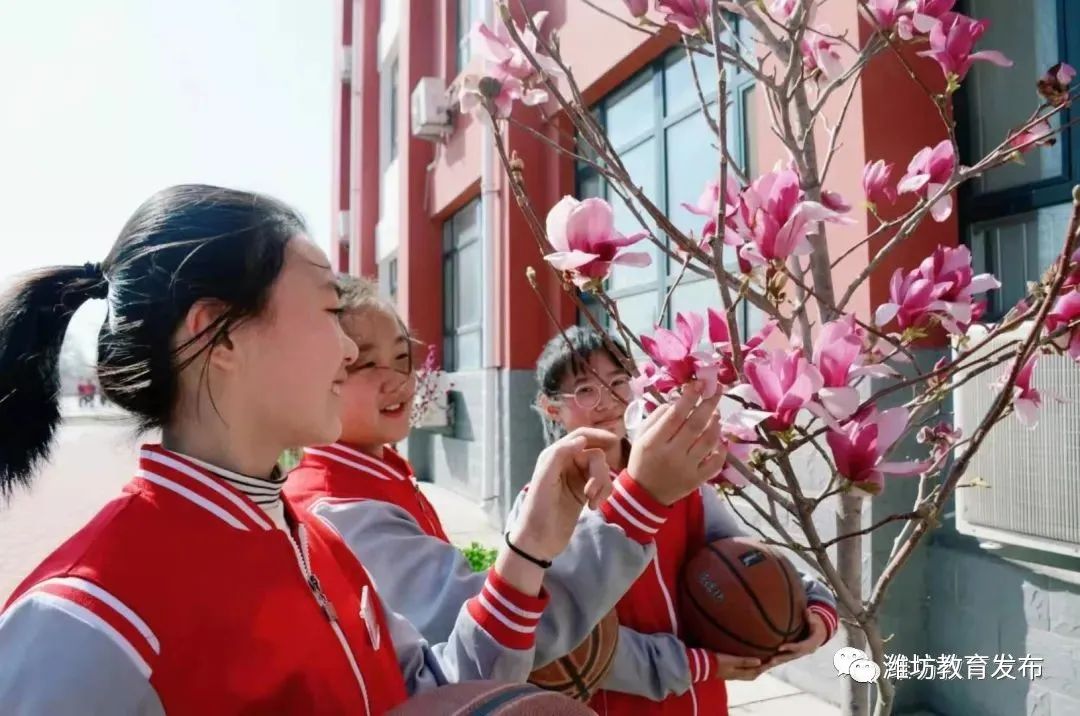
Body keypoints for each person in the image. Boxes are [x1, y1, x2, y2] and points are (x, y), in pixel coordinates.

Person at [0, 185, 616, 715]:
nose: (349, 351)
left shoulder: (317, 548)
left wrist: (530, 546)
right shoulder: (85, 624)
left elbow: (432, 692)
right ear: (218, 334)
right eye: (329, 310)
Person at [285, 275, 730, 668]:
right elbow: (503, 635)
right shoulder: (341, 507)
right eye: (362, 363)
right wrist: (639, 503)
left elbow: (729, 547)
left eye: (403, 357)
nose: (397, 378)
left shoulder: (378, 475)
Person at [531, 326, 840, 715]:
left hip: (703, 704)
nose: (607, 400)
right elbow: (567, 641)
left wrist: (812, 602)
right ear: (551, 407)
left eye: (618, 382)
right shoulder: (542, 505)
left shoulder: (680, 482)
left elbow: (743, 555)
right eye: (585, 390)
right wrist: (693, 665)